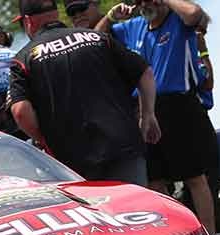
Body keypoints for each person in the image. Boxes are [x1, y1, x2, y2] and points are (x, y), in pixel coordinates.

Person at [9, 0, 160, 186]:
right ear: (56, 14)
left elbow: (20, 111)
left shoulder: (22, 59)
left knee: (96, 214)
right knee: (138, 211)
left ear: (28, 22)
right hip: (123, 145)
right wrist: (148, 115)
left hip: (72, 160)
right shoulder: (97, 38)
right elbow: (145, 72)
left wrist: (45, 141)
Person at [99, 0, 218, 234]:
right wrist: (111, 16)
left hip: (178, 105)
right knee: (154, 181)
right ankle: (175, 234)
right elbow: (96, 38)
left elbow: (194, 14)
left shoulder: (178, 21)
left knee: (194, 176)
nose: (144, 4)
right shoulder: (134, 26)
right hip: (142, 109)